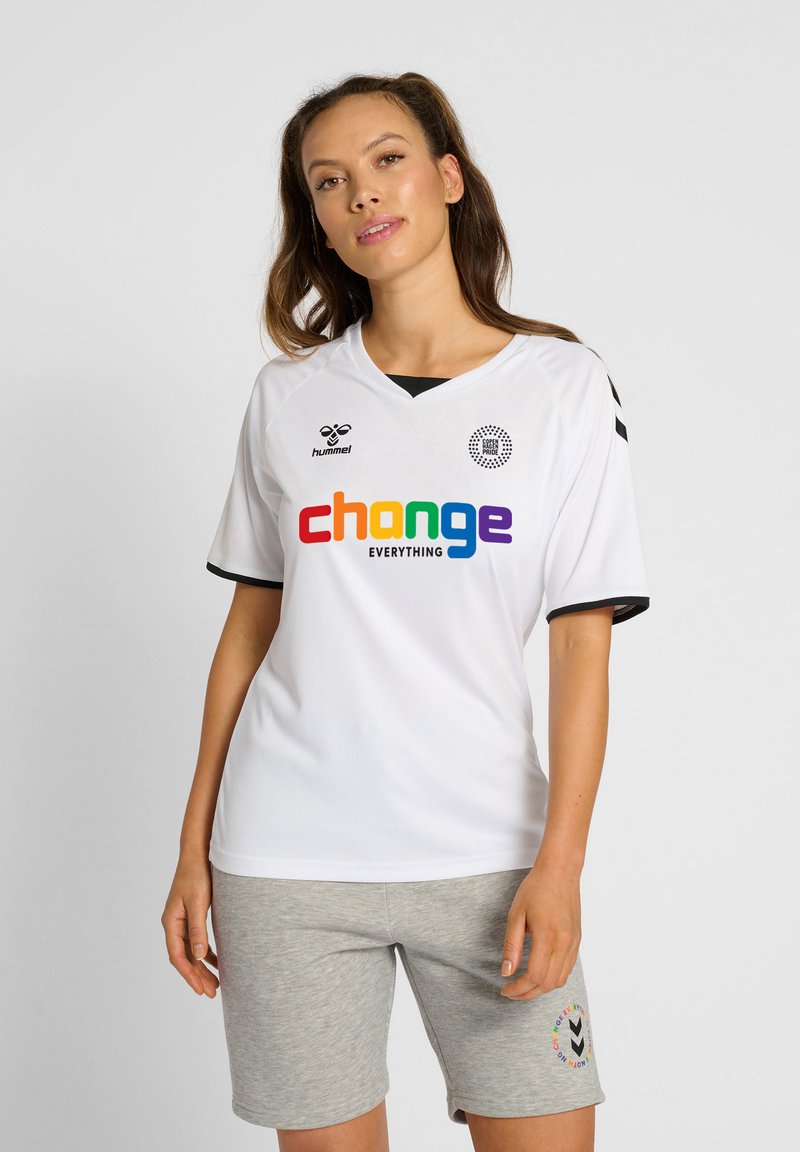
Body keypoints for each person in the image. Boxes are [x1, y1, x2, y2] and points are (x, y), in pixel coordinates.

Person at [161, 70, 651, 1152]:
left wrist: (560, 864)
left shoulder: (561, 386)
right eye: (327, 182)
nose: (362, 194)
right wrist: (193, 848)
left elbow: (582, 645)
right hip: (285, 861)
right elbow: (248, 632)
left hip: (488, 858)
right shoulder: (288, 398)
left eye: (386, 161)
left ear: (448, 178)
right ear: (318, 220)